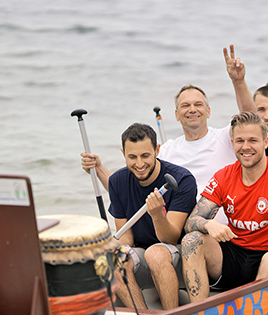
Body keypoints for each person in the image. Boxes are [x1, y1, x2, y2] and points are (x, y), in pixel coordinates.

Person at [81, 44, 254, 224]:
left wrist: (238, 81)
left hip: (222, 227)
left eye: (198, 104)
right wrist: (98, 168)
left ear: (208, 111)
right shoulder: (166, 150)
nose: (192, 109)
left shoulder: (225, 138)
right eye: (185, 106)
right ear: (176, 115)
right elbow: (125, 189)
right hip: (180, 229)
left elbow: (250, 121)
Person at [180, 112, 268, 302]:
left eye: (253, 140)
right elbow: (191, 222)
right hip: (234, 254)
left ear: (265, 142)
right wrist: (208, 225)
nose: (246, 147)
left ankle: (251, 309)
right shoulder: (224, 176)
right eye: (240, 141)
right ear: (232, 143)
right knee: (191, 240)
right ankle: (199, 311)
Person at [107, 123, 197, 310]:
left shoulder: (182, 180)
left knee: (156, 253)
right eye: (132, 157)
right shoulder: (116, 181)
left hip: (179, 256)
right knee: (115, 259)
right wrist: (112, 246)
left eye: (145, 156)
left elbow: (170, 238)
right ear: (123, 154)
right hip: (143, 253)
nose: (139, 164)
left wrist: (157, 215)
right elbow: (126, 238)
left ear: (157, 150)